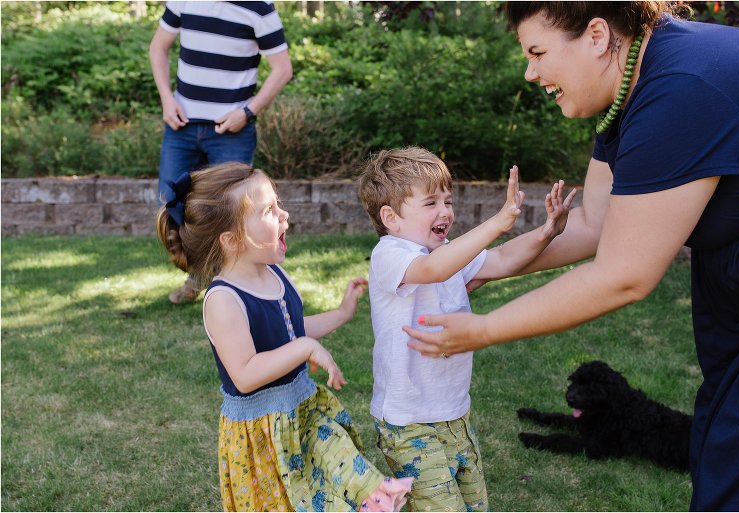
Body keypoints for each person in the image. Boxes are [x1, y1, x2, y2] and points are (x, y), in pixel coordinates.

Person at [403, 3, 739, 511]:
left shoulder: (679, 89)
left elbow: (625, 275)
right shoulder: (630, 91)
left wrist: (482, 330)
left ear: (596, 35)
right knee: (725, 440)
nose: (530, 72)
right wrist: (478, 269)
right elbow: (596, 225)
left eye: (537, 52)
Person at [156, 162, 414, 512]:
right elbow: (245, 375)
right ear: (232, 240)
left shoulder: (275, 273)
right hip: (263, 431)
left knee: (345, 480)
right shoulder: (223, 299)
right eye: (269, 211)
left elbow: (289, 331)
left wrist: (340, 314)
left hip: (303, 409)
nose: (284, 214)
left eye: (278, 204)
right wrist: (304, 348)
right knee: (293, 501)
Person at [357, 147, 575, 511]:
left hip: (454, 412)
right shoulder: (390, 253)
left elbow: (503, 259)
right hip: (408, 422)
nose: (445, 211)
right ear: (391, 218)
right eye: (430, 203)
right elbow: (432, 271)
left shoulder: (445, 250)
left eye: (447, 200)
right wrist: (498, 221)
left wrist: (546, 233)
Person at [149, 0, 293, 304]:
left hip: (231, 131)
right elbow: (157, 48)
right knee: (172, 203)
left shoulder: (259, 8)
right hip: (181, 125)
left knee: (234, 212)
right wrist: (166, 99)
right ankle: (200, 272)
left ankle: (236, 286)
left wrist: (248, 113)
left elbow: (283, 69)